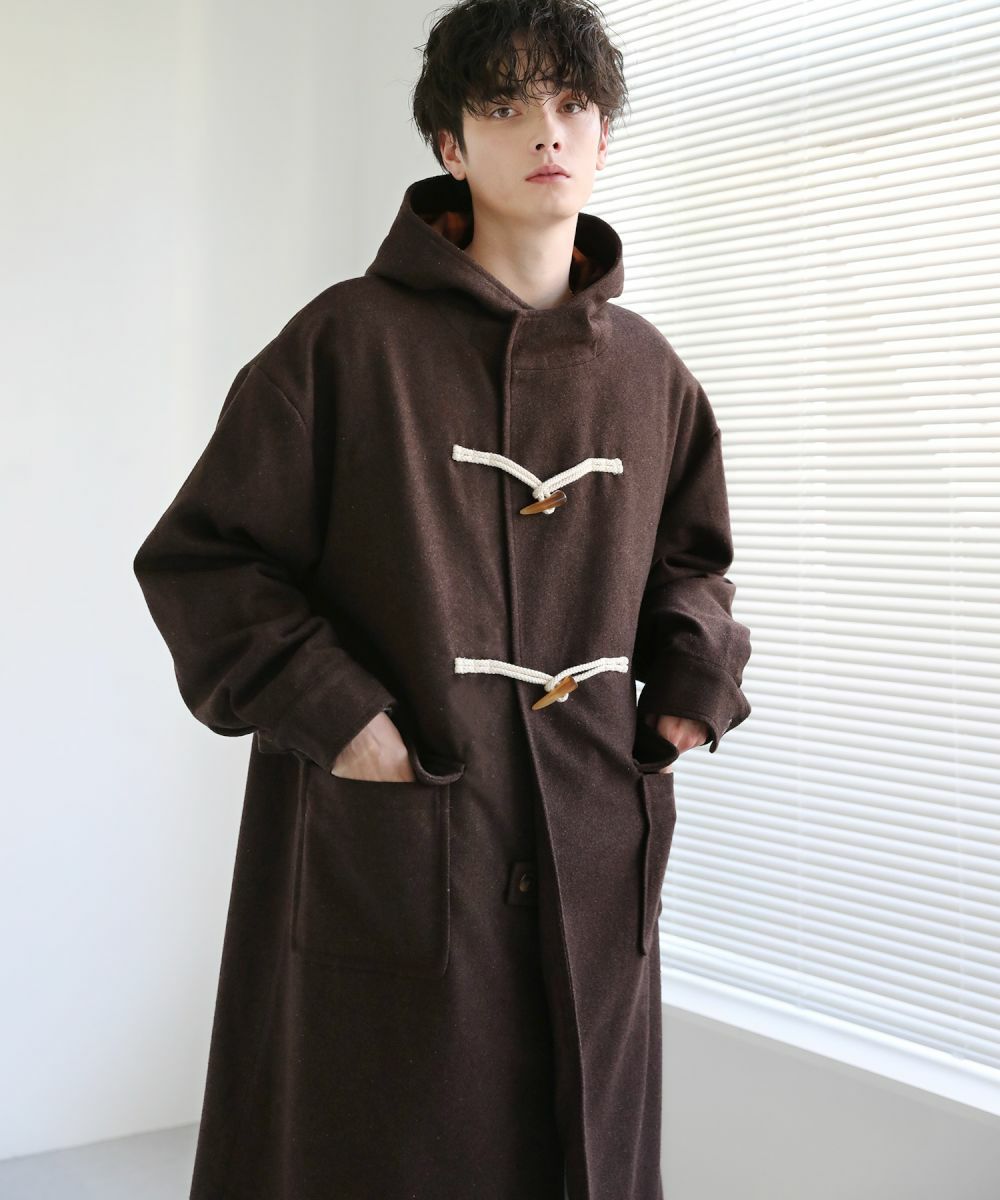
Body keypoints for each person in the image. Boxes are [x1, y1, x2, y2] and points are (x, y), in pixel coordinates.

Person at [133, 2, 752, 1197]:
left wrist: (687, 688)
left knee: (579, 1146)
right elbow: (206, 558)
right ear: (451, 147)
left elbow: (693, 563)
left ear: (603, 136)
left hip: (591, 825)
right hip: (399, 832)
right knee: (385, 1145)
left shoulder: (649, 373)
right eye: (506, 105)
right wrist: (345, 721)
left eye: (571, 103)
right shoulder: (343, 344)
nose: (546, 130)